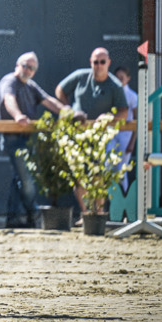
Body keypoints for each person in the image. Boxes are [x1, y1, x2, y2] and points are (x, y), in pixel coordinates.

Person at [0, 52, 69, 228]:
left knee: (19, 180)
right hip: (13, 138)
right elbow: (9, 100)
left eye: (32, 68)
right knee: (26, 180)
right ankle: (34, 213)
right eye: (25, 66)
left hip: (27, 139)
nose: (27, 70)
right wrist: (18, 115)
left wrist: (68, 113)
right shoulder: (9, 81)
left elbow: (49, 101)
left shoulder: (31, 85)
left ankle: (15, 219)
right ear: (17, 65)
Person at [55, 47, 128, 217]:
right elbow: (60, 90)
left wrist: (109, 118)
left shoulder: (115, 85)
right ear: (91, 62)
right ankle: (86, 213)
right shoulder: (81, 76)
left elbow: (123, 111)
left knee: (99, 176)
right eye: (96, 62)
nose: (99, 65)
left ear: (108, 63)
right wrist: (68, 109)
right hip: (77, 135)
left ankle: (99, 213)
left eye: (102, 62)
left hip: (101, 137)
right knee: (78, 175)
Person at [109, 65, 138, 194]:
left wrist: (132, 142)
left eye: (122, 78)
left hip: (125, 135)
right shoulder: (111, 93)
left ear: (128, 79)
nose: (119, 80)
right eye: (116, 77)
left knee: (121, 170)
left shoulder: (132, 96)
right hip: (111, 133)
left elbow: (136, 120)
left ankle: (123, 200)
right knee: (108, 166)